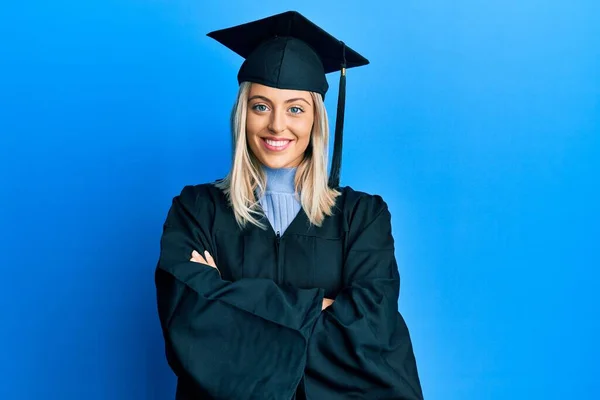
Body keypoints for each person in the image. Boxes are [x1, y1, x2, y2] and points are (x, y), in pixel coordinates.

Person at [154, 10, 424, 400]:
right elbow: (191, 325)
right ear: (241, 114)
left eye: (295, 108)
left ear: (316, 119)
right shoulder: (197, 210)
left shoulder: (362, 217)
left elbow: (370, 331)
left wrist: (230, 298)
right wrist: (324, 309)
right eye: (261, 106)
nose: (277, 125)